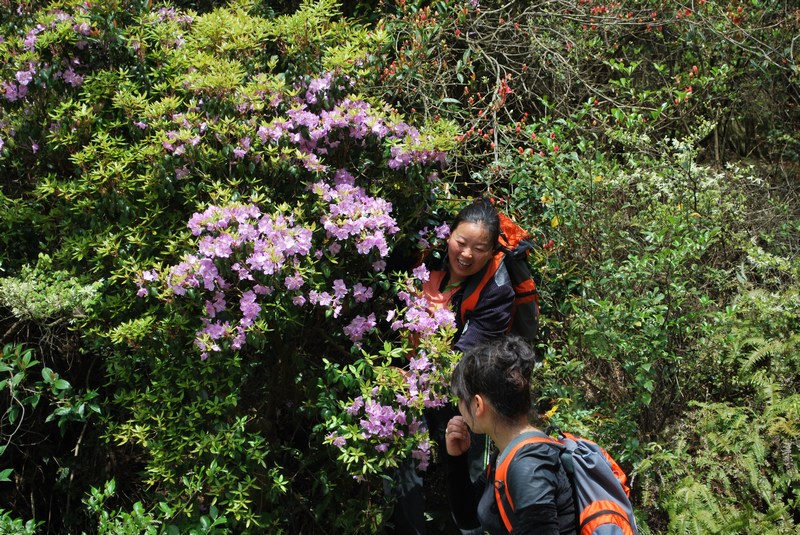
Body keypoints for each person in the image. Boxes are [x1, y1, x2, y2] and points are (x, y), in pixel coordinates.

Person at [391, 199, 516, 534]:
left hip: (464, 394)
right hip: (410, 385)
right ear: (449, 237)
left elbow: (465, 354)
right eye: (461, 242)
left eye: (479, 248)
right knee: (405, 464)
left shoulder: (497, 292)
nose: (466, 254)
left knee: (466, 473)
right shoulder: (424, 260)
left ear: (491, 253)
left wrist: (414, 378)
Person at [444, 335, 576, 534]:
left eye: (461, 398)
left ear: (478, 405)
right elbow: (469, 517)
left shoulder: (528, 467)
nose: (459, 407)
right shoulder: (509, 454)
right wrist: (457, 459)